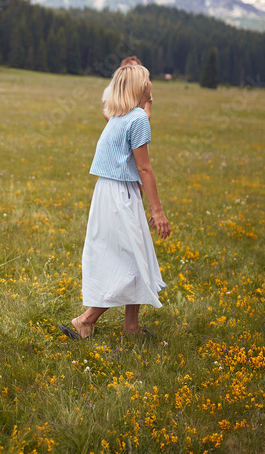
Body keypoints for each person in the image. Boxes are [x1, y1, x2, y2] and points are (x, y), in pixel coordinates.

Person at [61, 64, 171, 340]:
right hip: (120, 196)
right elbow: (144, 168)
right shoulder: (137, 119)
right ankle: (85, 319)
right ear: (140, 86)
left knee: (135, 256)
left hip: (109, 192)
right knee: (130, 259)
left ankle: (131, 326)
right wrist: (157, 211)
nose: (151, 82)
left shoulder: (118, 116)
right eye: (148, 79)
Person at [102, 56, 152, 121]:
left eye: (136, 67)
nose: (134, 69)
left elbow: (147, 112)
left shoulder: (145, 89)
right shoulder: (109, 90)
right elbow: (107, 113)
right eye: (130, 67)